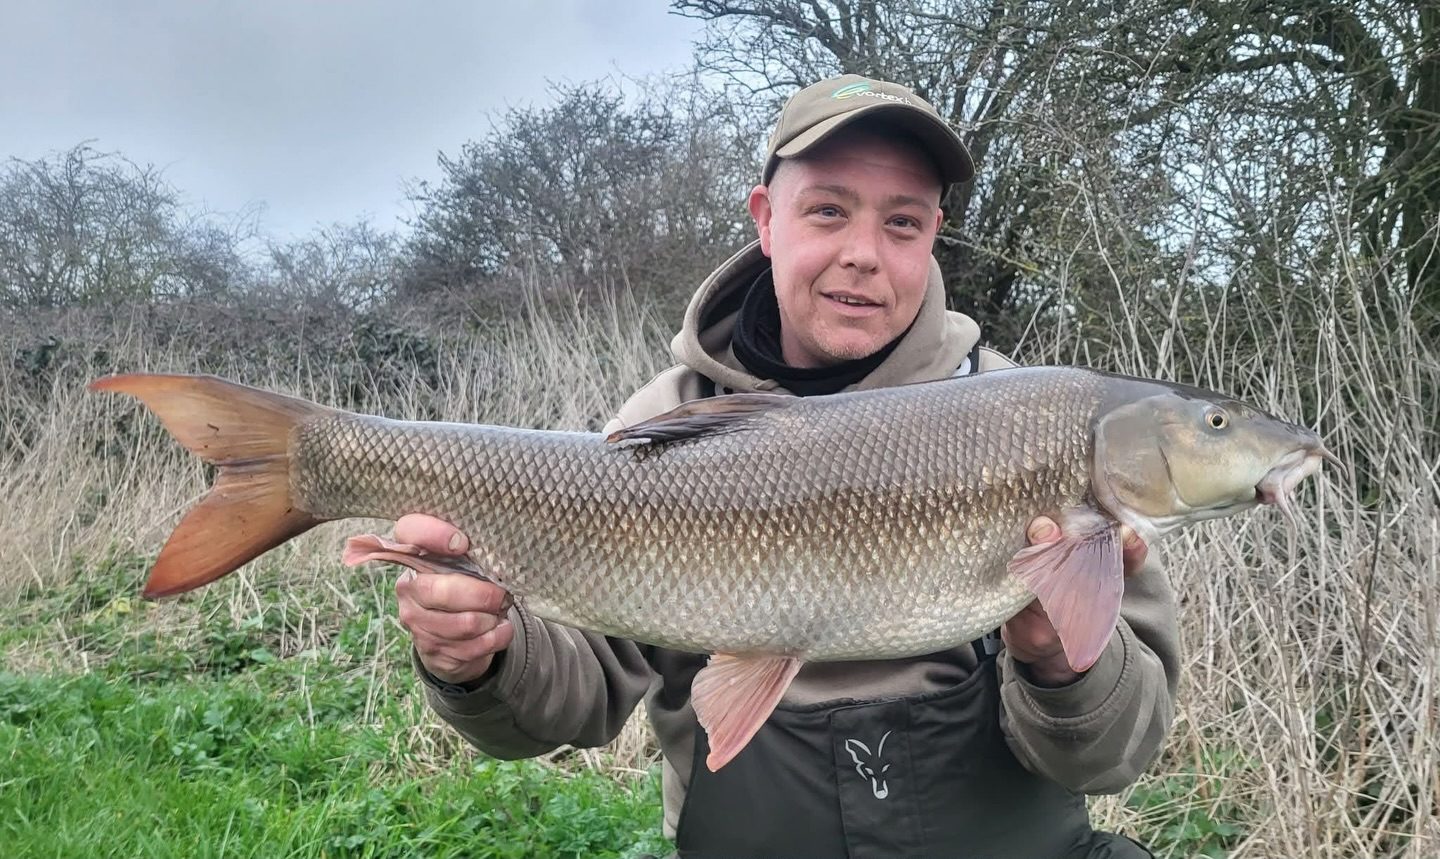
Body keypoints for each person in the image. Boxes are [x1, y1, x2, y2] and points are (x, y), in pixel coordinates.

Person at [380, 75, 1179, 858]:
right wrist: (479, 658)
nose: (864, 254)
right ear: (767, 220)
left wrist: (1059, 659)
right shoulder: (662, 424)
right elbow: (573, 700)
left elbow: (1114, 755)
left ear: (934, 232)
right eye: (828, 210)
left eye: (902, 223)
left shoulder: (1039, 421)